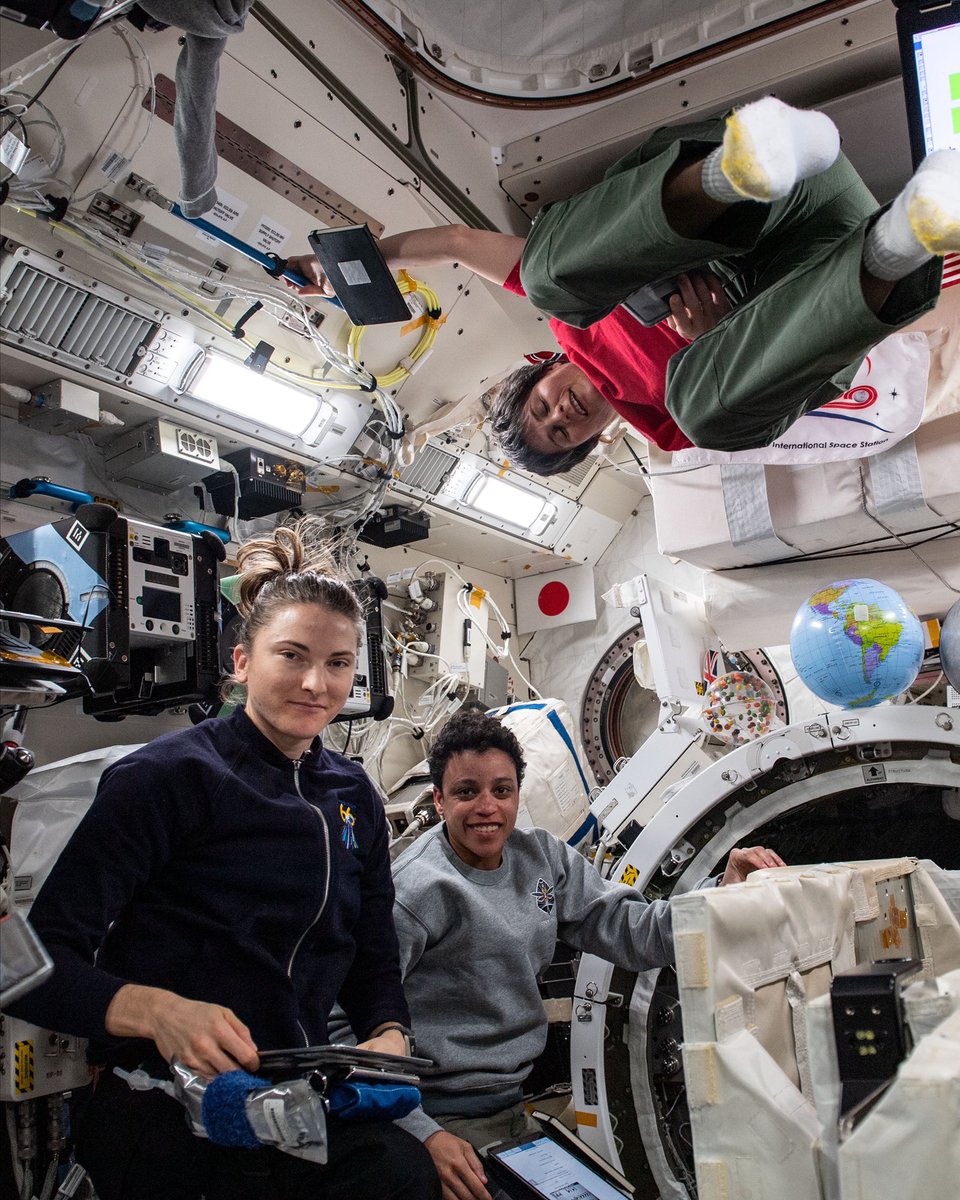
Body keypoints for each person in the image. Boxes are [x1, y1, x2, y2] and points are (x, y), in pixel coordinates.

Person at [5, 523, 440, 1200]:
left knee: (405, 1175)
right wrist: (156, 1012)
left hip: (298, 1107)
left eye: (338, 663)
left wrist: (387, 1035)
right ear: (241, 661)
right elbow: (31, 967)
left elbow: (372, 956)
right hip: (167, 1114)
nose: (315, 683)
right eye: (291, 655)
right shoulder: (169, 778)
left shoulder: (351, 794)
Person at [289, 96, 958, 475]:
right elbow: (800, 376)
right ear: (585, 444)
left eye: (541, 408)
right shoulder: (668, 427)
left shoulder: (565, 319)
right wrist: (718, 341)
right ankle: (909, 236)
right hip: (828, 248)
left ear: (541, 377)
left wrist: (366, 263)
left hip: (763, 181)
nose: (560, 415)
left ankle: (744, 167)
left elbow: (459, 246)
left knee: (550, 280)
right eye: (559, 435)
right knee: (706, 414)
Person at [389, 709, 784, 1200]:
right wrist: (423, 1135)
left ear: (518, 793)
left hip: (511, 1108)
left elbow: (629, 929)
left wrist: (722, 894)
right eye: (467, 791)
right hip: (438, 1117)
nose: (487, 807)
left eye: (502, 790)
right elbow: (350, 1029)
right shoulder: (417, 890)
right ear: (439, 799)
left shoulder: (541, 857)